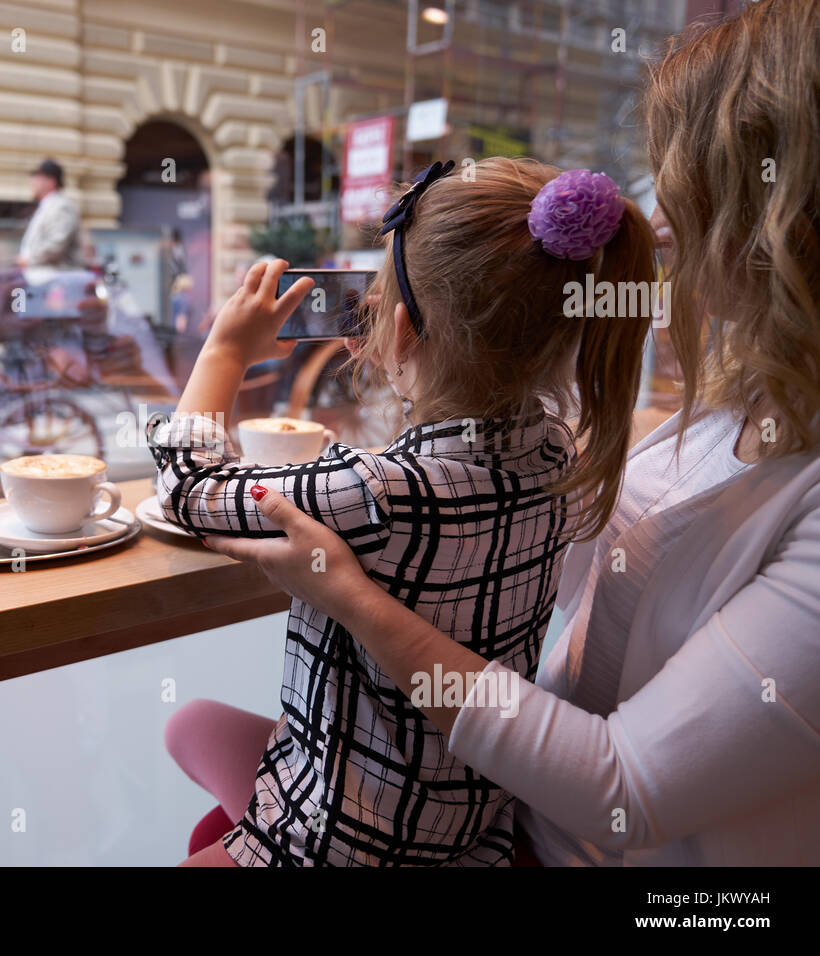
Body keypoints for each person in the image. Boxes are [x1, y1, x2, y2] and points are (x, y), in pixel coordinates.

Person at [197, 0, 820, 866]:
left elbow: (624, 789)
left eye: (685, 197)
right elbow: (528, 544)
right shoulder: (715, 409)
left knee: (203, 764)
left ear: (778, 219)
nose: (661, 230)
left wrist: (359, 596)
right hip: (490, 816)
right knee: (200, 735)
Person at [150, 155, 658, 866]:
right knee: (193, 725)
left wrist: (225, 350)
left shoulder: (374, 493)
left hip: (342, 843)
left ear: (402, 332)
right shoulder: (555, 458)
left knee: (188, 735)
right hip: (469, 831)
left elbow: (187, 487)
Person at [17, 158, 84, 272]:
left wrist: (29, 259)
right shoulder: (47, 205)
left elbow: (56, 245)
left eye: (38, 177)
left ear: (51, 181)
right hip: (41, 274)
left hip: (55, 276)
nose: (33, 182)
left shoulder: (61, 207)